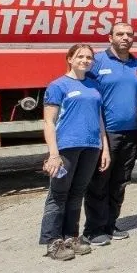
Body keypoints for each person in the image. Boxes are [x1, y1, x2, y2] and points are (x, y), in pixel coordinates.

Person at [40, 44, 109, 260]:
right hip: (66, 147)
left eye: (89, 57)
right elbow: (49, 122)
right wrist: (54, 154)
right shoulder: (58, 85)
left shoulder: (94, 85)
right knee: (59, 194)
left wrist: (104, 147)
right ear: (70, 59)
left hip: (90, 146)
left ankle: (71, 237)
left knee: (77, 193)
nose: (85, 60)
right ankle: (53, 242)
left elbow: (99, 119)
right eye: (80, 56)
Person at [83, 22, 137, 246]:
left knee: (120, 182)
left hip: (130, 133)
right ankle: (93, 229)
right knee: (99, 181)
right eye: (120, 34)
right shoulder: (97, 61)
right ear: (110, 38)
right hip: (106, 133)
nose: (125, 38)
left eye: (129, 34)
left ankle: (110, 223)